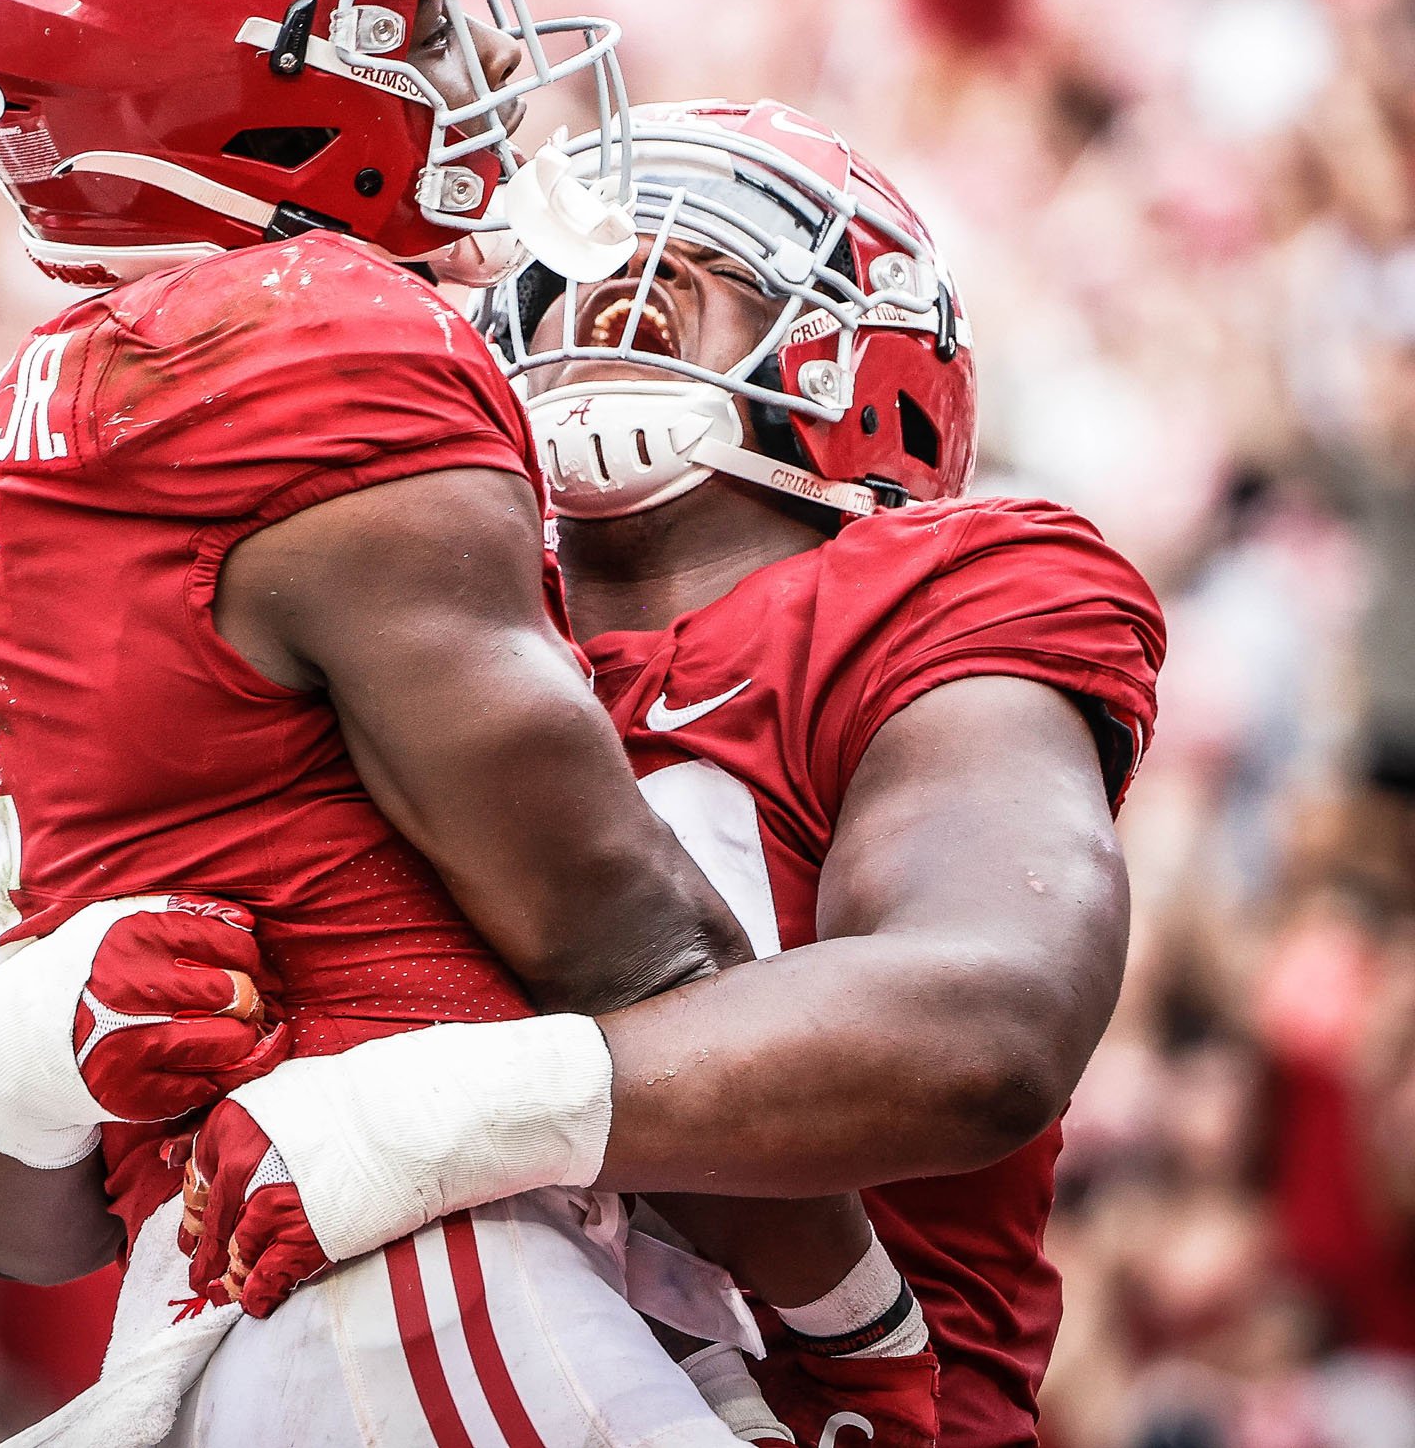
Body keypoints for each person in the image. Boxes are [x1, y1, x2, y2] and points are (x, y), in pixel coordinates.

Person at [0, 0, 924, 1448]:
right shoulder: (319, 339)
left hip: (246, 1292)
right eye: (425, 26)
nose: (499, 66)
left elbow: (27, 1204)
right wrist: (853, 1316)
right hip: (420, 1275)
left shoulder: (49, 408)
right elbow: (614, 929)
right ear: (248, 101)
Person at [180, 100, 1168, 1448]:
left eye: (710, 251)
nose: (616, 286)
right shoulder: (373, 629)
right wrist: (38, 1056)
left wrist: (434, 1119)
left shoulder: (945, 589)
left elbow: (989, 1026)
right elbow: (16, 1216)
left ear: (874, 355)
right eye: (572, 265)